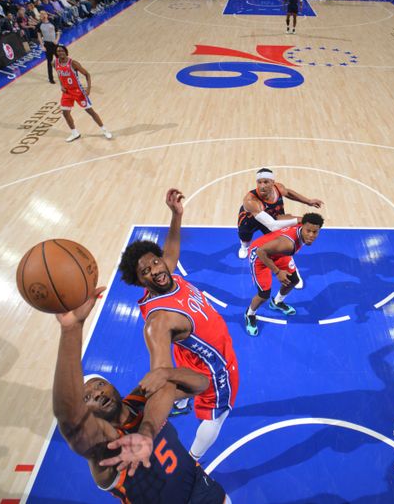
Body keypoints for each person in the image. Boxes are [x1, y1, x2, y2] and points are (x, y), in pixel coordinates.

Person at [51, 286, 230, 503]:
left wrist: (167, 372)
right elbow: (71, 421)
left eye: (99, 385)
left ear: (112, 386)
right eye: (86, 398)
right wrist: (72, 329)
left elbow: (202, 384)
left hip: (204, 490)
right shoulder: (104, 446)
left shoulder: (142, 399)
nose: (97, 394)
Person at [113, 188, 239, 464]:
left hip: (190, 353)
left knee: (181, 381)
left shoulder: (164, 273)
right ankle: (195, 460)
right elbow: (160, 377)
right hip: (213, 364)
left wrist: (175, 215)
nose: (156, 270)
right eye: (145, 271)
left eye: (155, 262)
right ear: (140, 282)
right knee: (218, 414)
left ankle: (181, 403)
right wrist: (147, 432)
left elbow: (170, 250)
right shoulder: (158, 322)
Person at [244, 212, 324, 336]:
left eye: (315, 232)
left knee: (293, 280)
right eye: (308, 231)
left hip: (277, 253)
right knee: (264, 294)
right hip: (260, 257)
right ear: (302, 226)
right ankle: (249, 314)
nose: (311, 235)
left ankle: (276, 303)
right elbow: (261, 252)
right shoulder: (288, 244)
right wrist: (277, 272)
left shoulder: (302, 222)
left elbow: (281, 218)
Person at [236, 168, 324, 260]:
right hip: (250, 220)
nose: (262, 186)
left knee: (278, 236)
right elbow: (272, 225)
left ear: (273, 182)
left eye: (266, 182)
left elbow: (289, 193)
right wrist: (299, 219)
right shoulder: (250, 200)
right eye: (259, 182)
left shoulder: (278, 188)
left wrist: (308, 201)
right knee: (245, 237)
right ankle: (244, 247)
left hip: (271, 216)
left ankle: (274, 253)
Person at [53, 44, 112, 142]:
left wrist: (88, 89)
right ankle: (74, 133)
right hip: (67, 92)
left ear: (66, 52)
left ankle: (104, 130)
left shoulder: (73, 63)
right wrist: (61, 85)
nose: (60, 52)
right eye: (58, 51)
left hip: (78, 91)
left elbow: (87, 74)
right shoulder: (54, 63)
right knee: (65, 113)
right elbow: (59, 75)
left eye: (62, 50)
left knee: (90, 112)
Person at [37, 11, 60, 84]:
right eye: (41, 15)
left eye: (44, 14)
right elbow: (39, 36)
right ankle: (51, 78)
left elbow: (58, 32)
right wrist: (42, 45)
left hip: (54, 43)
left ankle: (62, 74)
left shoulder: (52, 22)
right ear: (40, 16)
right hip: (47, 44)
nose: (43, 15)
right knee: (49, 62)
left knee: (59, 60)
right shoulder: (39, 25)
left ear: (47, 15)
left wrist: (57, 40)